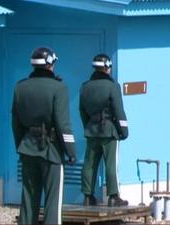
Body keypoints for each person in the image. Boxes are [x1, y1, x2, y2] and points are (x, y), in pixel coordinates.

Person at [12, 47, 76, 224]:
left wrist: (21, 146)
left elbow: (15, 124)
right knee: (52, 201)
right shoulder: (59, 88)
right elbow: (63, 125)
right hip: (51, 150)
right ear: (49, 65)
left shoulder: (20, 87)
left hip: (27, 148)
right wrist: (70, 151)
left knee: (28, 199)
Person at [79, 54, 129, 207]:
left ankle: (88, 196)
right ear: (107, 67)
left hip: (91, 129)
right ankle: (113, 196)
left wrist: (88, 126)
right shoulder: (113, 86)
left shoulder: (85, 86)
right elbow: (119, 111)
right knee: (110, 164)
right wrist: (124, 131)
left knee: (90, 163)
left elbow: (82, 111)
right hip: (109, 130)